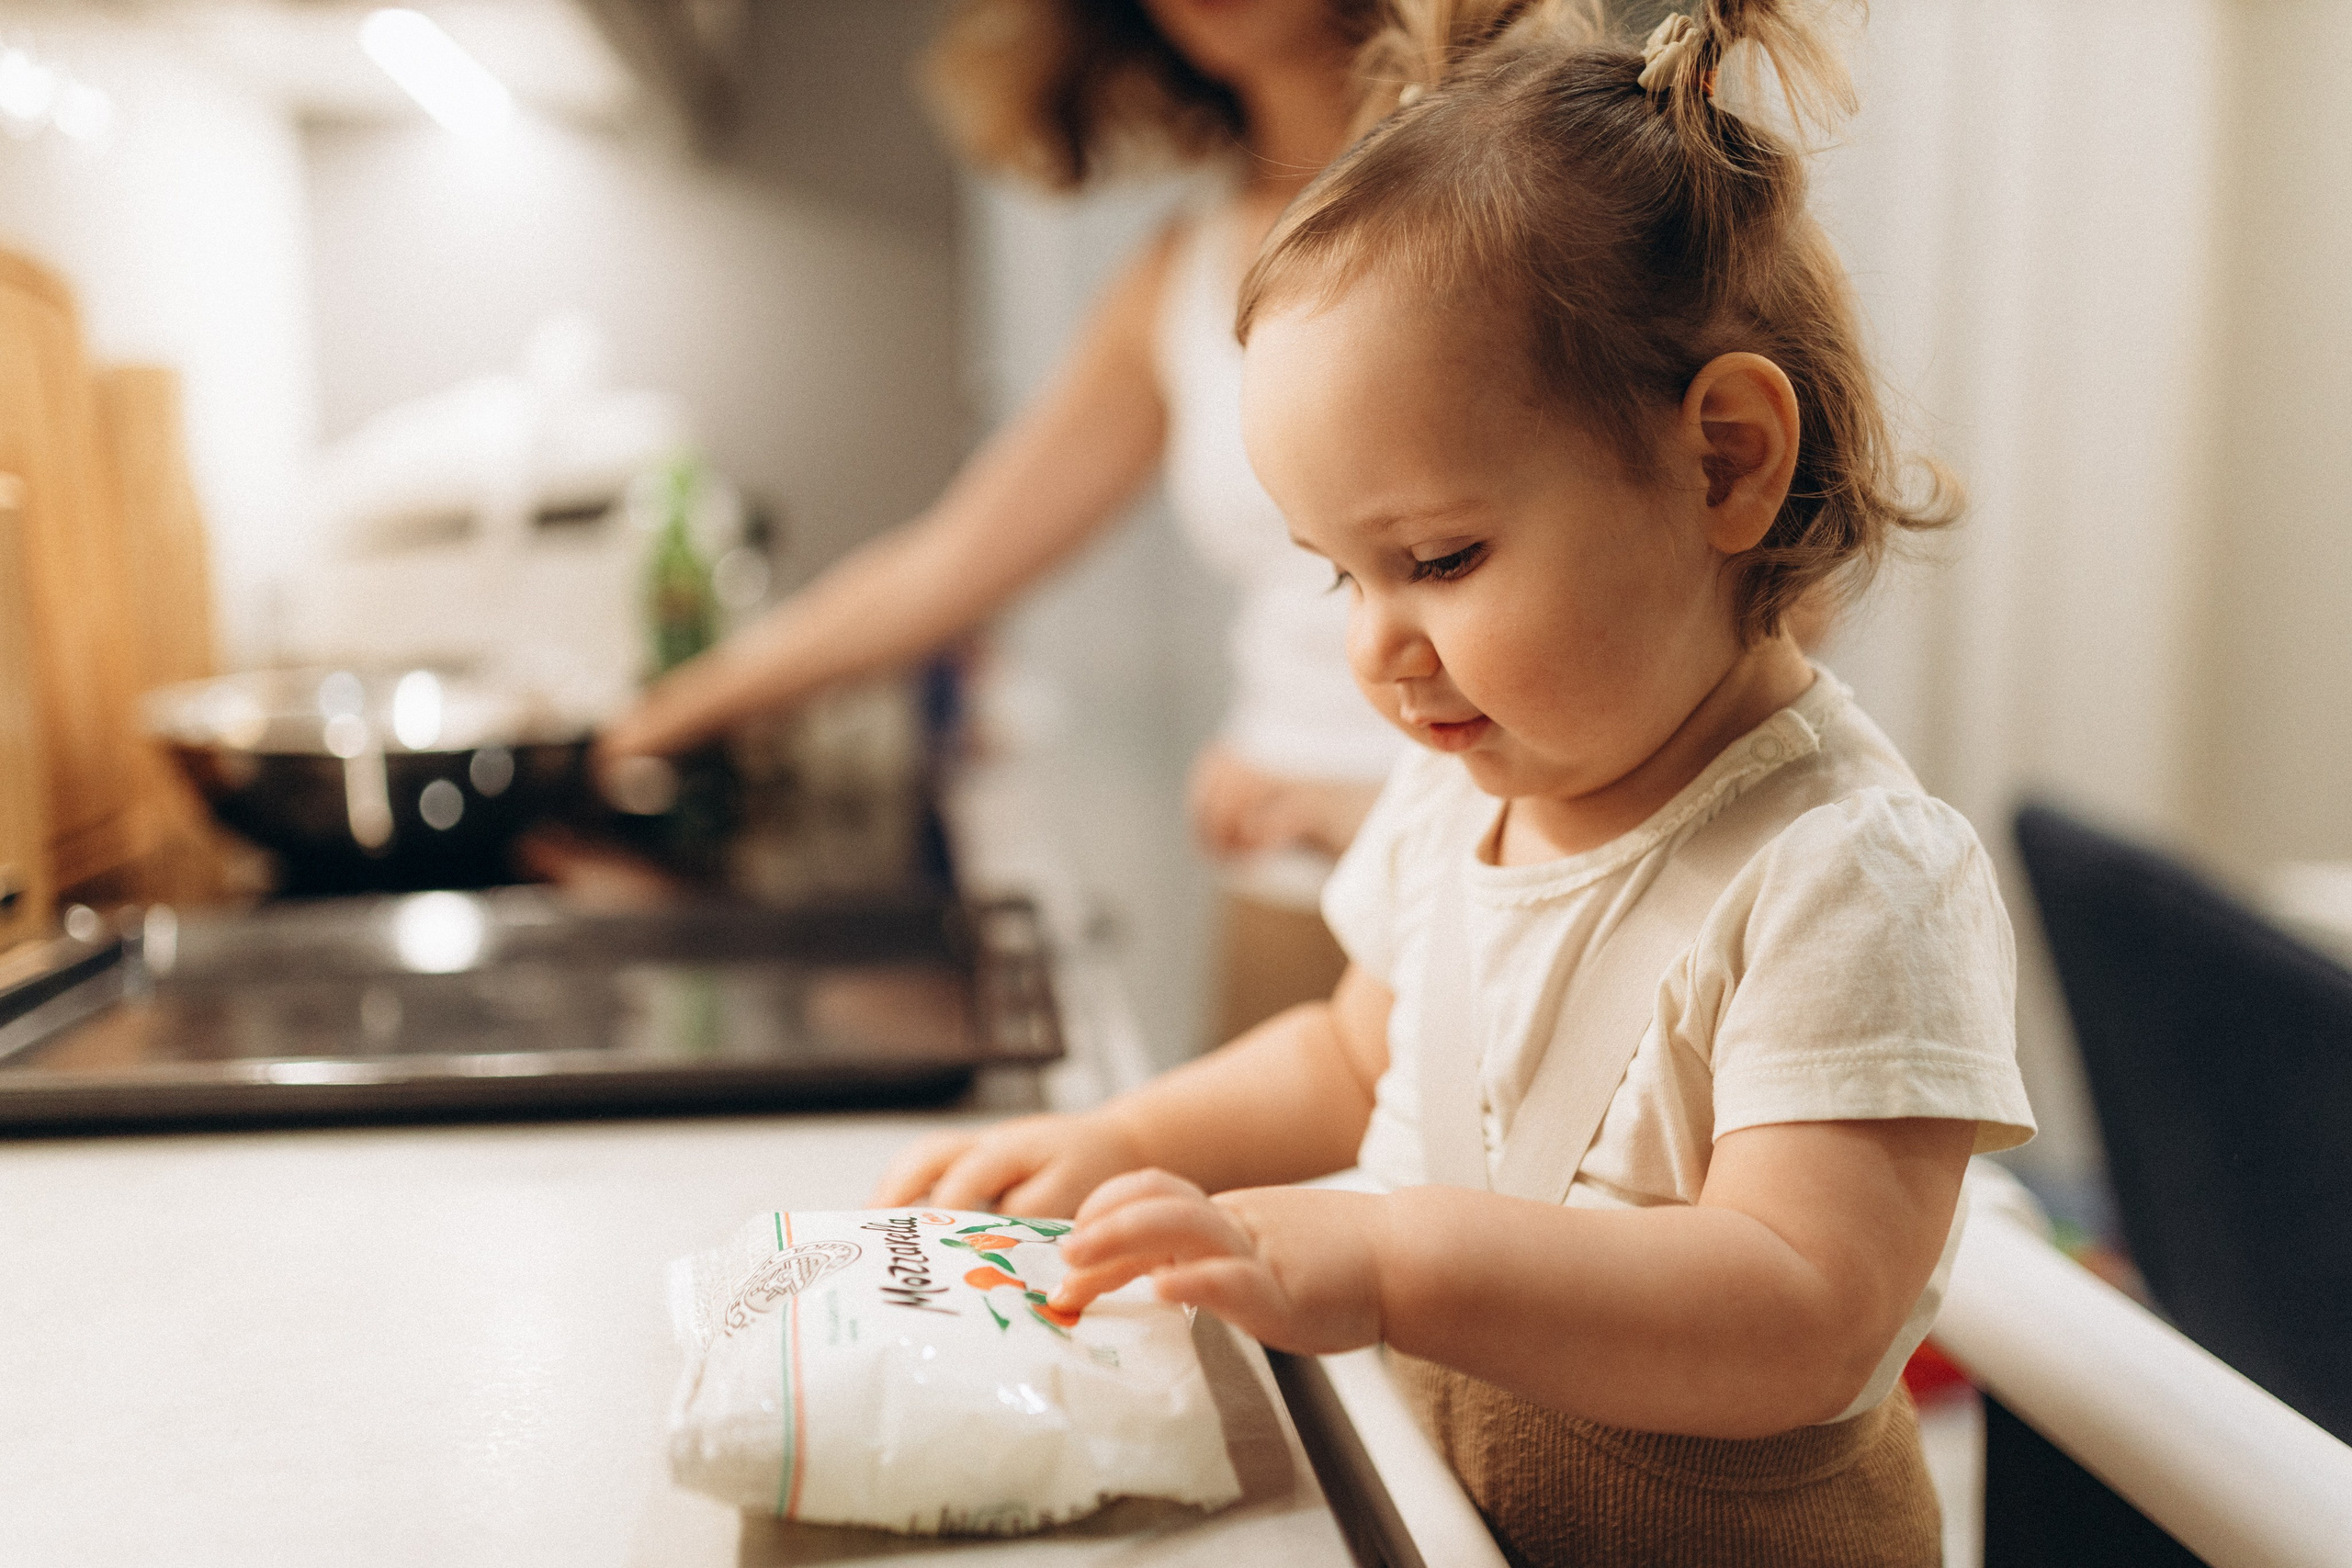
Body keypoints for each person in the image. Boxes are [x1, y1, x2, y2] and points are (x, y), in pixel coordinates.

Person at [875, 3, 2037, 1563]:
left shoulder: (1850, 872)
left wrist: (1389, 1255)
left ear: (1725, 463)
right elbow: (1355, 1058)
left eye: (1436, 559)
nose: (1378, 649)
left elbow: (1801, 1312)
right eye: (1338, 576)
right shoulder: (1459, 798)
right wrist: (1132, 1137)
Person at [595, 0, 1404, 1043]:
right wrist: (645, 727)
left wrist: (1379, 813)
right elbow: (949, 563)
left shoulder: (1501, 174)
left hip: (1505, 859)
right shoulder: (1185, 266)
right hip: (1287, 864)